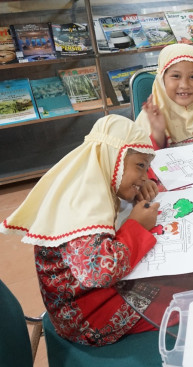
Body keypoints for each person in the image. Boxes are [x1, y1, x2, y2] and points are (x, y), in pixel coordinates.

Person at [0, 115, 161, 346]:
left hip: (82, 299)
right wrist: (136, 227)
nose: (145, 176)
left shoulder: (91, 180)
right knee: (180, 301)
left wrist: (138, 183)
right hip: (84, 317)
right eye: (141, 166)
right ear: (113, 159)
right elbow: (100, 272)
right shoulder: (82, 202)